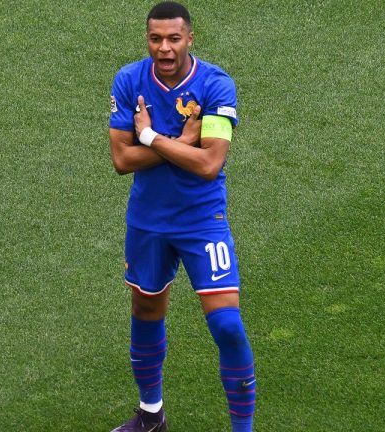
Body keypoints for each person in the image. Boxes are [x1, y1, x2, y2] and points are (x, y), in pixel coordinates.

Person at [108, 2, 256, 431]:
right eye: (156, 39)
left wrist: (151, 135)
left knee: (227, 325)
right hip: (148, 221)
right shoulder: (129, 80)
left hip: (202, 220)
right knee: (146, 307)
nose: (165, 48)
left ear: (190, 38)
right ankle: (151, 416)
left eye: (174, 38)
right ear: (147, 40)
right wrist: (177, 141)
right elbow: (121, 159)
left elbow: (209, 163)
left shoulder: (216, 85)